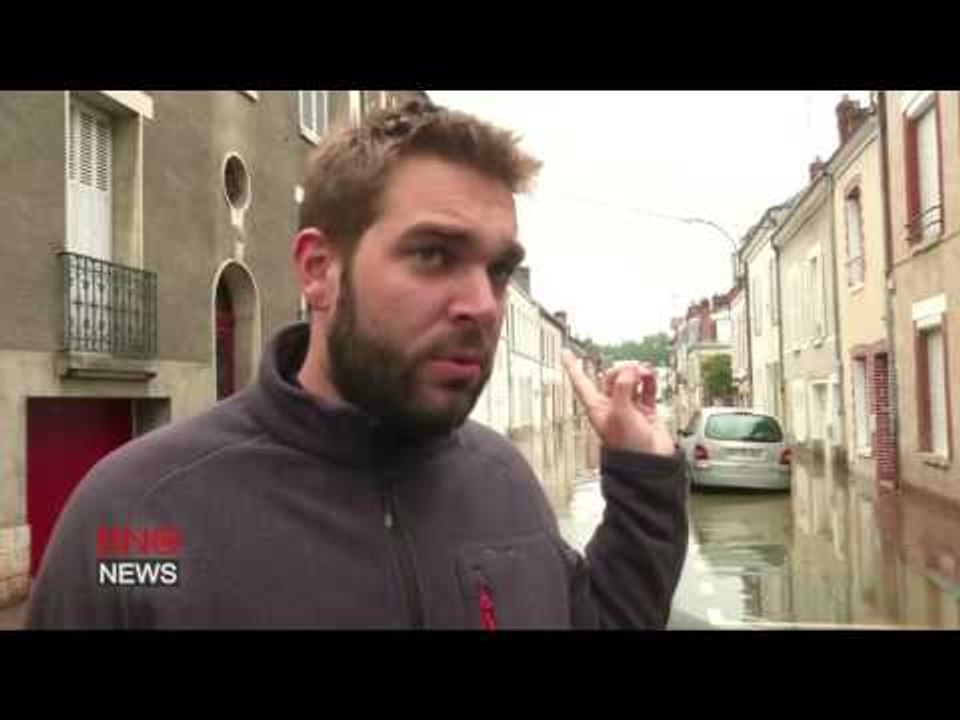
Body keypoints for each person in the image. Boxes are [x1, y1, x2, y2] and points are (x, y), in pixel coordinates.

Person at [27, 98, 688, 629]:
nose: (483, 305)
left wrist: (644, 482)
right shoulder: (136, 520)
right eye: (433, 254)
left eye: (499, 269)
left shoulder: (504, 482)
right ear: (318, 270)